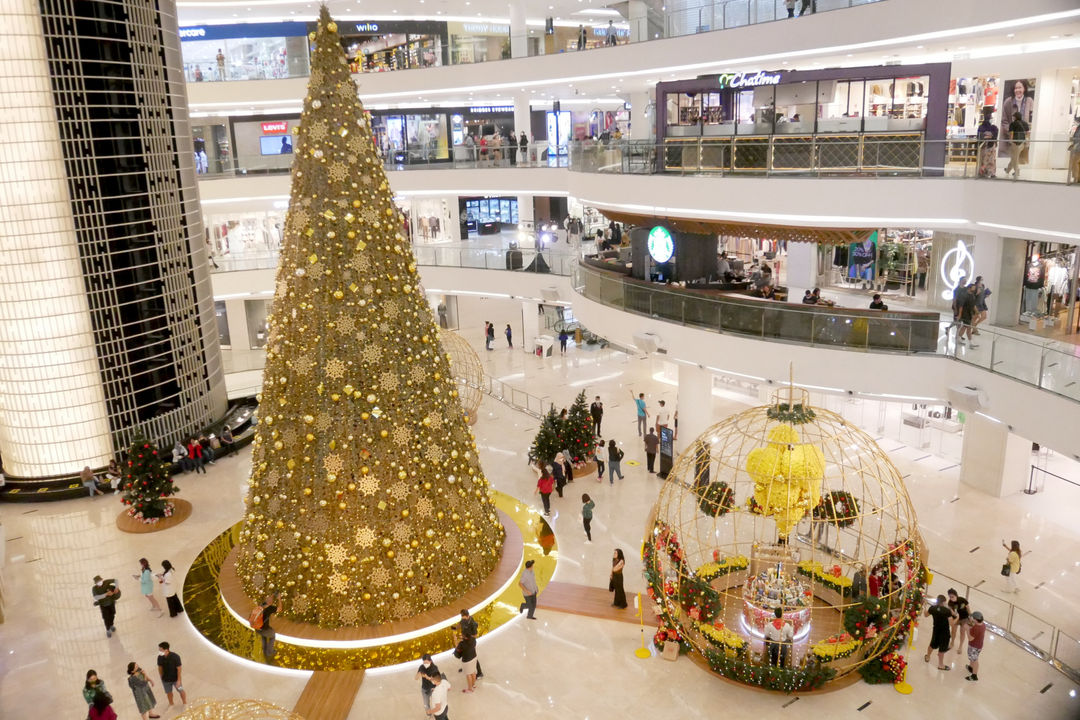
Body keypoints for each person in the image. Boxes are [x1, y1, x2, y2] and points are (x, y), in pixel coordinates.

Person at [924, 594, 955, 670]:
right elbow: (951, 624)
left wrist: (924, 606)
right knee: (942, 649)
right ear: (944, 602)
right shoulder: (947, 611)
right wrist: (957, 618)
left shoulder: (932, 608)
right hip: (945, 633)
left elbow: (925, 615)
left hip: (936, 630)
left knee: (932, 644)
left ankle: (928, 656)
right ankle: (940, 665)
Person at [156, 642, 186, 708]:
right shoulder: (160, 657)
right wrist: (161, 677)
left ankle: (185, 703)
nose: (159, 651)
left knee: (181, 690)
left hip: (176, 679)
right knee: (168, 693)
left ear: (166, 650)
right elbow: (160, 667)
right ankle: (171, 704)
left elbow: (179, 669)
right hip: (165, 680)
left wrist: (179, 680)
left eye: (160, 650)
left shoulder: (175, 657)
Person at [457, 609, 483, 679]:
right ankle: (466, 667)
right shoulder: (463, 619)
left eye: (463, 616)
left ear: (467, 615)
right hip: (464, 641)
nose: (462, 618)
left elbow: (475, 635)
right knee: (464, 655)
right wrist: (456, 627)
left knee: (473, 658)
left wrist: (465, 637)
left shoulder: (472, 623)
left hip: (471, 642)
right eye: (461, 616)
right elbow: (460, 623)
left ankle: (480, 673)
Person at [256, 592, 281, 662]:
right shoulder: (270, 608)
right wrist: (279, 599)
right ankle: (269, 653)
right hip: (264, 629)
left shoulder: (261, 605)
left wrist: (273, 594)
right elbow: (280, 609)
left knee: (264, 635)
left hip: (257, 628)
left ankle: (264, 651)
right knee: (272, 635)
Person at [1004, 111, 1028, 179]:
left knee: (1015, 158)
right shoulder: (1025, 123)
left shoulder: (1013, 124)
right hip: (1022, 143)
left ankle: (1017, 171)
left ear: (1016, 117)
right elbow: (1027, 133)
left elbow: (1011, 133)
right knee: (1014, 157)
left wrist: (1011, 141)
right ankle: (1007, 170)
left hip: (1015, 143)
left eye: (1014, 116)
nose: (1013, 118)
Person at [947, 588, 971, 655]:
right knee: (953, 631)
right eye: (950, 597)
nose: (951, 598)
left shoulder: (962, 600)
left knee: (962, 633)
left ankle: (960, 646)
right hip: (956, 618)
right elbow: (953, 613)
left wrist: (970, 616)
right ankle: (952, 643)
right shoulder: (950, 603)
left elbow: (968, 609)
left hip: (964, 618)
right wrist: (955, 615)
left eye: (952, 596)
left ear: (956, 595)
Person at [965, 611, 987, 682]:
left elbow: (970, 638)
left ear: (976, 620)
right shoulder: (983, 625)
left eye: (972, 617)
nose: (971, 618)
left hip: (974, 646)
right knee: (972, 657)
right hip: (978, 645)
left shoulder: (976, 628)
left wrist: (967, 629)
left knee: (975, 660)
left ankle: (974, 676)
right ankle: (971, 668)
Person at [977, 110, 998, 179]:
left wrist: (986, 136)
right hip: (988, 145)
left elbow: (980, 136)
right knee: (989, 159)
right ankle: (989, 172)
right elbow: (994, 135)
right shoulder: (992, 127)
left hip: (985, 146)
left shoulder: (982, 127)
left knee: (985, 159)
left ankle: (985, 172)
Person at [958, 283, 978, 347]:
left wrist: (976, 311)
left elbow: (973, 304)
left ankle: (958, 338)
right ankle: (971, 342)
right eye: (973, 287)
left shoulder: (972, 295)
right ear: (969, 288)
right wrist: (960, 314)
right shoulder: (964, 295)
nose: (974, 289)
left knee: (964, 327)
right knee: (968, 328)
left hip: (970, 314)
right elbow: (961, 306)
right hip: (965, 314)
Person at [1068, 119, 1080, 185]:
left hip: (1078, 148)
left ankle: (1076, 178)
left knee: (1074, 163)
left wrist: (1072, 139)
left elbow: (1078, 138)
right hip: (1077, 147)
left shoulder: (1079, 128)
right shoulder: (1078, 127)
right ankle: (1077, 178)